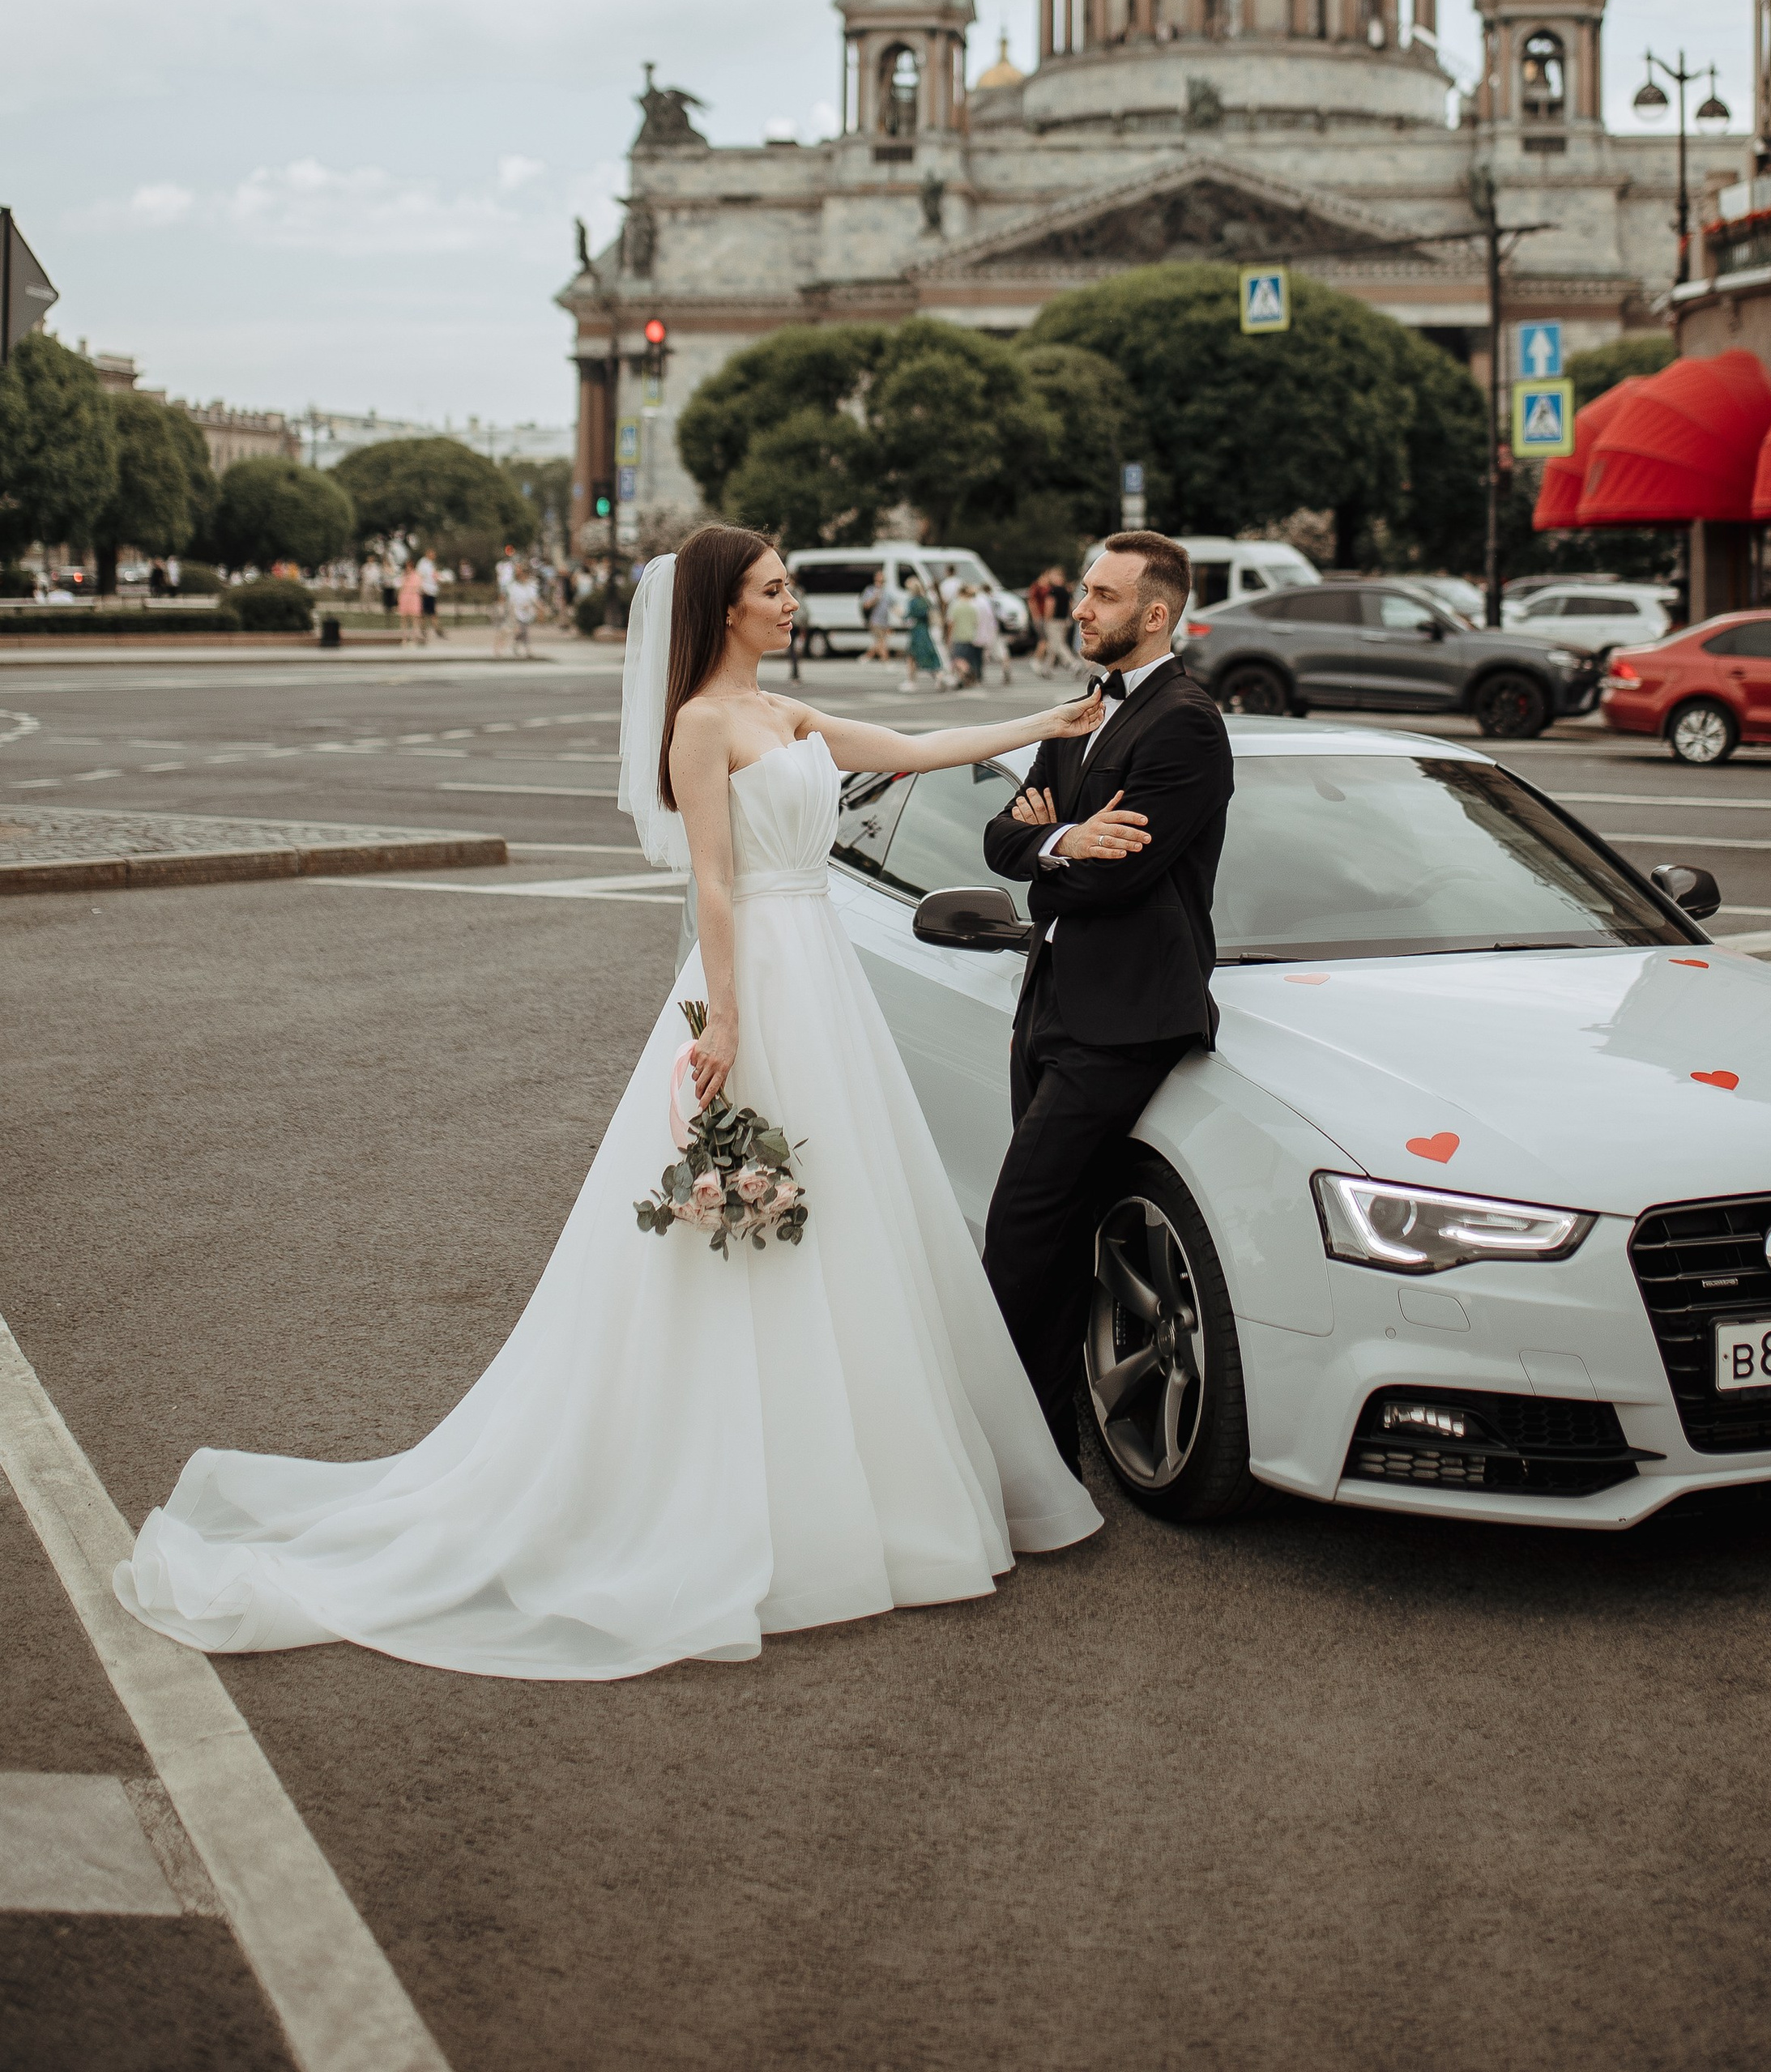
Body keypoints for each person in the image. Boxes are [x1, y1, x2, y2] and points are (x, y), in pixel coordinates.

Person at [114, 531, 1106, 1676]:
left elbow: (915, 746)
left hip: (823, 975)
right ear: (724, 608)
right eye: (775, 589)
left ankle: (863, 1481)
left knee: (851, 1211)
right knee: (745, 1225)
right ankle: (735, 1493)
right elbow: (714, 879)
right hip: (761, 978)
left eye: (786, 587)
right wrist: (725, 1020)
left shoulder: (784, 712)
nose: (793, 602)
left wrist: (1042, 725)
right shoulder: (699, 727)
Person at [979, 532, 1234, 1474]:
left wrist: (1058, 855)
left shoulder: (1186, 723)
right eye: (1083, 590)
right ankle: (1051, 1466)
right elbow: (1001, 834)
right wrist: (1058, 845)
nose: (1078, 606)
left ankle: (1012, 1465)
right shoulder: (1085, 712)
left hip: (1127, 1018)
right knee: (1047, 1251)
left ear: (1153, 613)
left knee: (1019, 1235)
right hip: (1050, 1001)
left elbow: (1117, 882)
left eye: (1098, 594)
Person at [903, 570, 944, 690]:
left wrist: (900, 614)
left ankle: (911, 682)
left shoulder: (913, 602)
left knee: (912, 657)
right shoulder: (925, 601)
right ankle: (938, 676)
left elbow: (908, 617)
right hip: (925, 630)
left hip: (917, 631)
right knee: (927, 655)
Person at [945, 577, 981, 689]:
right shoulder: (973, 605)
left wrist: (948, 637)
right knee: (967, 659)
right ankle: (962, 679)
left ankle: (966, 673)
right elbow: (976, 622)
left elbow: (951, 623)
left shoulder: (955, 606)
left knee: (957, 659)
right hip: (970, 635)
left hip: (958, 635)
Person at [508, 561, 540, 659]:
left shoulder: (531, 585)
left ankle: (515, 645)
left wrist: (540, 608)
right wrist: (512, 613)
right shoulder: (514, 586)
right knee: (523, 631)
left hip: (527, 613)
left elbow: (534, 598)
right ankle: (527, 651)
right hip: (518, 612)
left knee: (522, 631)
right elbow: (512, 601)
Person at [395, 555, 423, 645]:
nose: (408, 568)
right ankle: (405, 637)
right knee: (404, 618)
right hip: (404, 597)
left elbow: (417, 586)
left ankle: (415, 637)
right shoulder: (403, 575)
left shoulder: (417, 575)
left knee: (414, 618)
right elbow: (401, 586)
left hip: (413, 597)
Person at [416, 548, 440, 640]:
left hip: (432, 590)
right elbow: (419, 576)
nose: (434, 556)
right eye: (433, 554)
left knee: (432, 611)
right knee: (425, 612)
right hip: (426, 590)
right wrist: (421, 589)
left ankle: (437, 629)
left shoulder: (431, 563)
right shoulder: (423, 563)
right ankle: (424, 629)